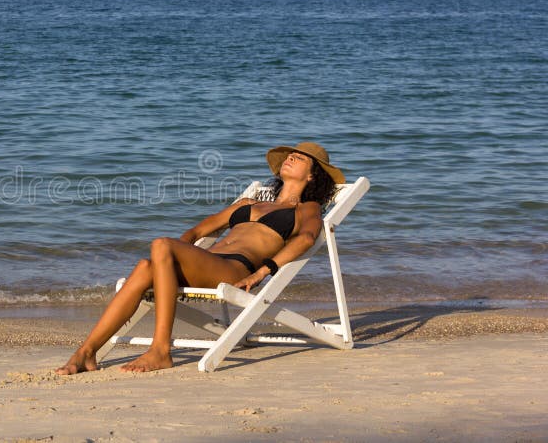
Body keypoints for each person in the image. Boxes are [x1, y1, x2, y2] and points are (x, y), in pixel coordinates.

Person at [55, 142, 345, 374]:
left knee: (161, 245)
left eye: (300, 158)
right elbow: (196, 231)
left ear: (312, 175)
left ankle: (160, 350)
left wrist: (261, 274)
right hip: (206, 264)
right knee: (147, 264)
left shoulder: (305, 209)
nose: (290, 158)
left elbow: (306, 239)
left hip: (234, 270)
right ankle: (86, 352)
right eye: (290, 155)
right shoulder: (248, 203)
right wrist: (168, 261)